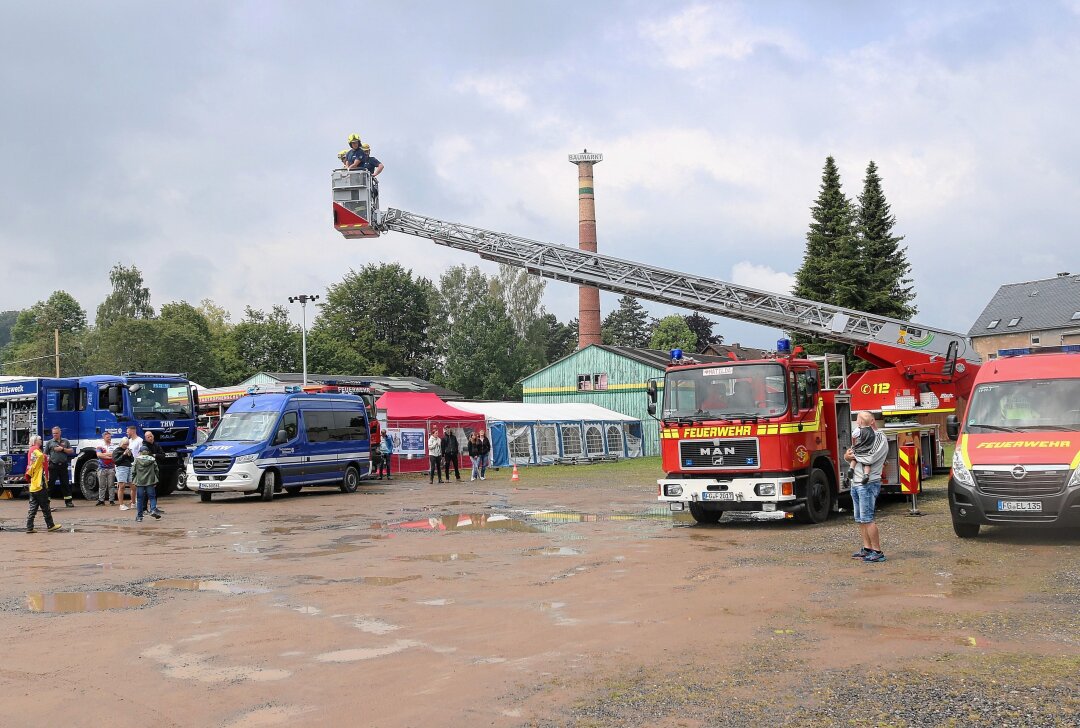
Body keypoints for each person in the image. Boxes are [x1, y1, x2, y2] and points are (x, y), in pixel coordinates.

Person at [845, 411, 889, 563]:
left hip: (868, 484)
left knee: (868, 518)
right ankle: (867, 548)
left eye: (861, 420)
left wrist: (853, 455)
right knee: (861, 519)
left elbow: (870, 456)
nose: (859, 423)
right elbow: (850, 454)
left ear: (872, 422)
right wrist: (847, 457)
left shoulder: (879, 437)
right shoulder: (861, 437)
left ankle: (878, 551)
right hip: (856, 483)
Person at [26, 436, 63, 533]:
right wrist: (45, 457)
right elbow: (40, 456)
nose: (41, 440)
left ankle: (29, 527)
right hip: (39, 484)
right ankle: (50, 525)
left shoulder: (31, 453)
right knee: (45, 506)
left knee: (33, 507)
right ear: (35, 441)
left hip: (34, 485)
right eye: (39, 439)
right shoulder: (35, 449)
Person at [43, 426, 75, 508]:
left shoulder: (65, 441)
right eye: (53, 433)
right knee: (50, 484)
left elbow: (71, 451)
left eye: (56, 433)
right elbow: (44, 454)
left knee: (65, 484)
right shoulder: (49, 443)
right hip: (53, 466)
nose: (55, 435)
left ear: (60, 433)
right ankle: (46, 502)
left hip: (63, 466)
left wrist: (62, 449)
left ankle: (68, 502)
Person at [131, 446, 163, 522]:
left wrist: (133, 480)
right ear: (148, 452)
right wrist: (156, 480)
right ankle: (153, 510)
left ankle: (139, 517)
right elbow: (156, 470)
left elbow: (133, 471)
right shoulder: (152, 460)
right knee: (152, 497)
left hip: (140, 482)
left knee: (139, 499)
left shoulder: (137, 460)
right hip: (150, 481)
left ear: (140, 452)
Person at [113, 437, 136, 510]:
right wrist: (124, 454)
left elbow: (132, 460)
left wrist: (129, 455)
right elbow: (116, 461)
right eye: (125, 444)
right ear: (122, 444)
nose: (127, 446)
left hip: (129, 467)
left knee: (133, 486)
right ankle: (121, 504)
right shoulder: (116, 451)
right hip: (121, 468)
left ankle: (133, 503)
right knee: (122, 486)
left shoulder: (128, 449)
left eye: (128, 444)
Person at [95, 431, 117, 505]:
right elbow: (98, 455)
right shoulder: (100, 446)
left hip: (111, 468)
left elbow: (113, 455)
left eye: (110, 437)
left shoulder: (113, 446)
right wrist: (108, 456)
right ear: (103, 438)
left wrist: (104, 455)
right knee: (102, 485)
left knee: (111, 485)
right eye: (107, 437)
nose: (109, 438)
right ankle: (101, 500)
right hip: (102, 468)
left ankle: (111, 500)